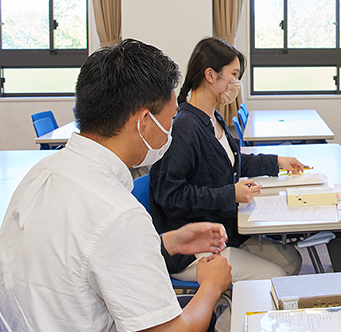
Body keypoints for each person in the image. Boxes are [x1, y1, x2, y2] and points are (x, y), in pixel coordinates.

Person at [0, 39, 232, 332]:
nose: (171, 131)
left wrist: (170, 242)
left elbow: (81, 259)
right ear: (144, 122)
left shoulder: (42, 172)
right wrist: (212, 286)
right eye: (171, 119)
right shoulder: (118, 213)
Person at [150, 37, 302, 282]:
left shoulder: (213, 118)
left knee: (293, 261)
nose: (236, 83)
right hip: (192, 247)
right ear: (211, 75)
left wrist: (276, 162)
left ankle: (237, 310)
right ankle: (224, 321)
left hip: (225, 231)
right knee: (275, 276)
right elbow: (171, 196)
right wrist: (229, 194)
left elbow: (231, 162)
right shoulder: (184, 128)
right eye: (233, 74)